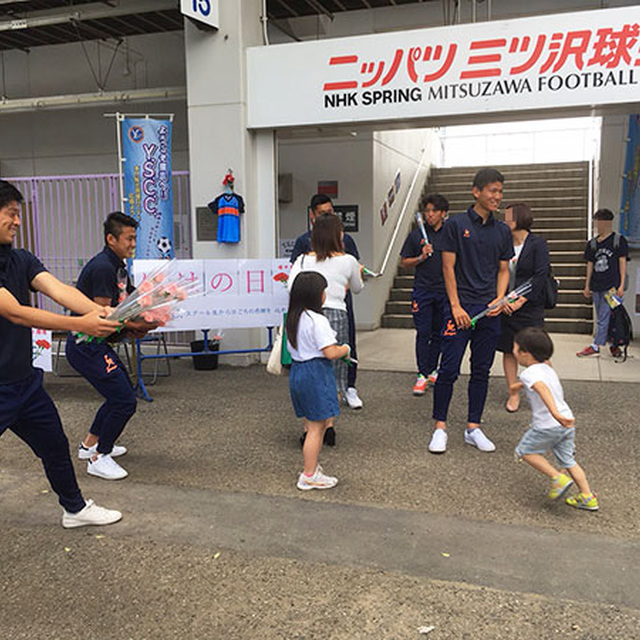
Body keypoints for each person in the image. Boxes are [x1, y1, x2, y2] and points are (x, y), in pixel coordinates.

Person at [0, 179, 122, 528]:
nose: (18, 221)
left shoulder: (21, 259)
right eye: (11, 213)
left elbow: (58, 290)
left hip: (24, 385)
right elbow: (14, 311)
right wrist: (80, 325)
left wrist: (101, 313)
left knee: (54, 444)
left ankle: (74, 508)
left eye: (19, 214)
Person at [65, 212, 158, 481]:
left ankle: (89, 445)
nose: (133, 244)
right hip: (86, 346)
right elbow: (105, 316)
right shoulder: (103, 268)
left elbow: (128, 303)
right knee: (125, 400)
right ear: (111, 238)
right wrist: (134, 327)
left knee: (118, 394)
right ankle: (99, 457)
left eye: (134, 238)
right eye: (128, 238)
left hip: (93, 345)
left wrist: (152, 312)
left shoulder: (117, 265)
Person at [429, 168, 514, 454]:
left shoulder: (502, 230)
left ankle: (473, 427)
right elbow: (447, 267)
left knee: (481, 370)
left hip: (489, 310)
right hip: (459, 308)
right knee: (449, 369)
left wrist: (500, 299)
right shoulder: (456, 224)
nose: (497, 196)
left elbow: (504, 269)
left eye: (500, 191)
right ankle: (440, 426)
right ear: (476, 191)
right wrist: (455, 306)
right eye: (492, 190)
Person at [289, 214, 364, 446]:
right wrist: (357, 273)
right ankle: (328, 425)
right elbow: (358, 288)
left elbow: (291, 287)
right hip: (336, 315)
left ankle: (309, 427)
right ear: (336, 234)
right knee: (331, 371)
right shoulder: (349, 260)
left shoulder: (302, 259)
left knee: (310, 368)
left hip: (305, 315)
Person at [512, 327, 598, 511]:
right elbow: (542, 383)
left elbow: (542, 388)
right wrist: (519, 387)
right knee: (568, 461)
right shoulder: (547, 367)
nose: (514, 352)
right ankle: (587, 496)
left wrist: (554, 414)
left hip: (548, 425)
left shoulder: (528, 373)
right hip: (567, 422)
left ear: (525, 353)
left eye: (515, 348)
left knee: (525, 451)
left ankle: (557, 478)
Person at [286, 271, 351, 491]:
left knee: (313, 423)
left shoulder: (293, 317)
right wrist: (345, 349)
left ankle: (311, 468)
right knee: (316, 427)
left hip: (298, 371)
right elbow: (331, 352)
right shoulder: (318, 320)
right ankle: (309, 474)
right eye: (323, 291)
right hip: (315, 373)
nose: (325, 295)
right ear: (315, 295)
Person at [496, 203, 550, 413]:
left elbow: (540, 275)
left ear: (519, 218)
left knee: (537, 352)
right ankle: (513, 393)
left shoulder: (537, 243)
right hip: (506, 307)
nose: (504, 220)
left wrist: (520, 301)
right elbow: (497, 272)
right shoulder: (503, 243)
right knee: (509, 351)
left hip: (529, 307)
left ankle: (549, 393)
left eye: (508, 217)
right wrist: (503, 301)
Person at [400, 193, 449, 396]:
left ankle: (433, 370)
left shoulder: (450, 233)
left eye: (434, 211)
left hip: (444, 291)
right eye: (427, 211)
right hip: (422, 291)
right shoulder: (416, 235)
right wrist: (421, 257)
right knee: (423, 333)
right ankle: (422, 374)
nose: (429, 215)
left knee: (439, 334)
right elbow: (404, 262)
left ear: (443, 213)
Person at [577, 208, 629, 358]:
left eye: (599, 222)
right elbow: (590, 265)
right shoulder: (592, 244)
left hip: (612, 287)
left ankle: (596, 345)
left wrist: (621, 285)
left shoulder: (618, 241)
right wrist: (587, 285)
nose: (597, 226)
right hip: (597, 285)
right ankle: (613, 345)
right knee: (604, 315)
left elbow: (622, 263)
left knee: (607, 315)